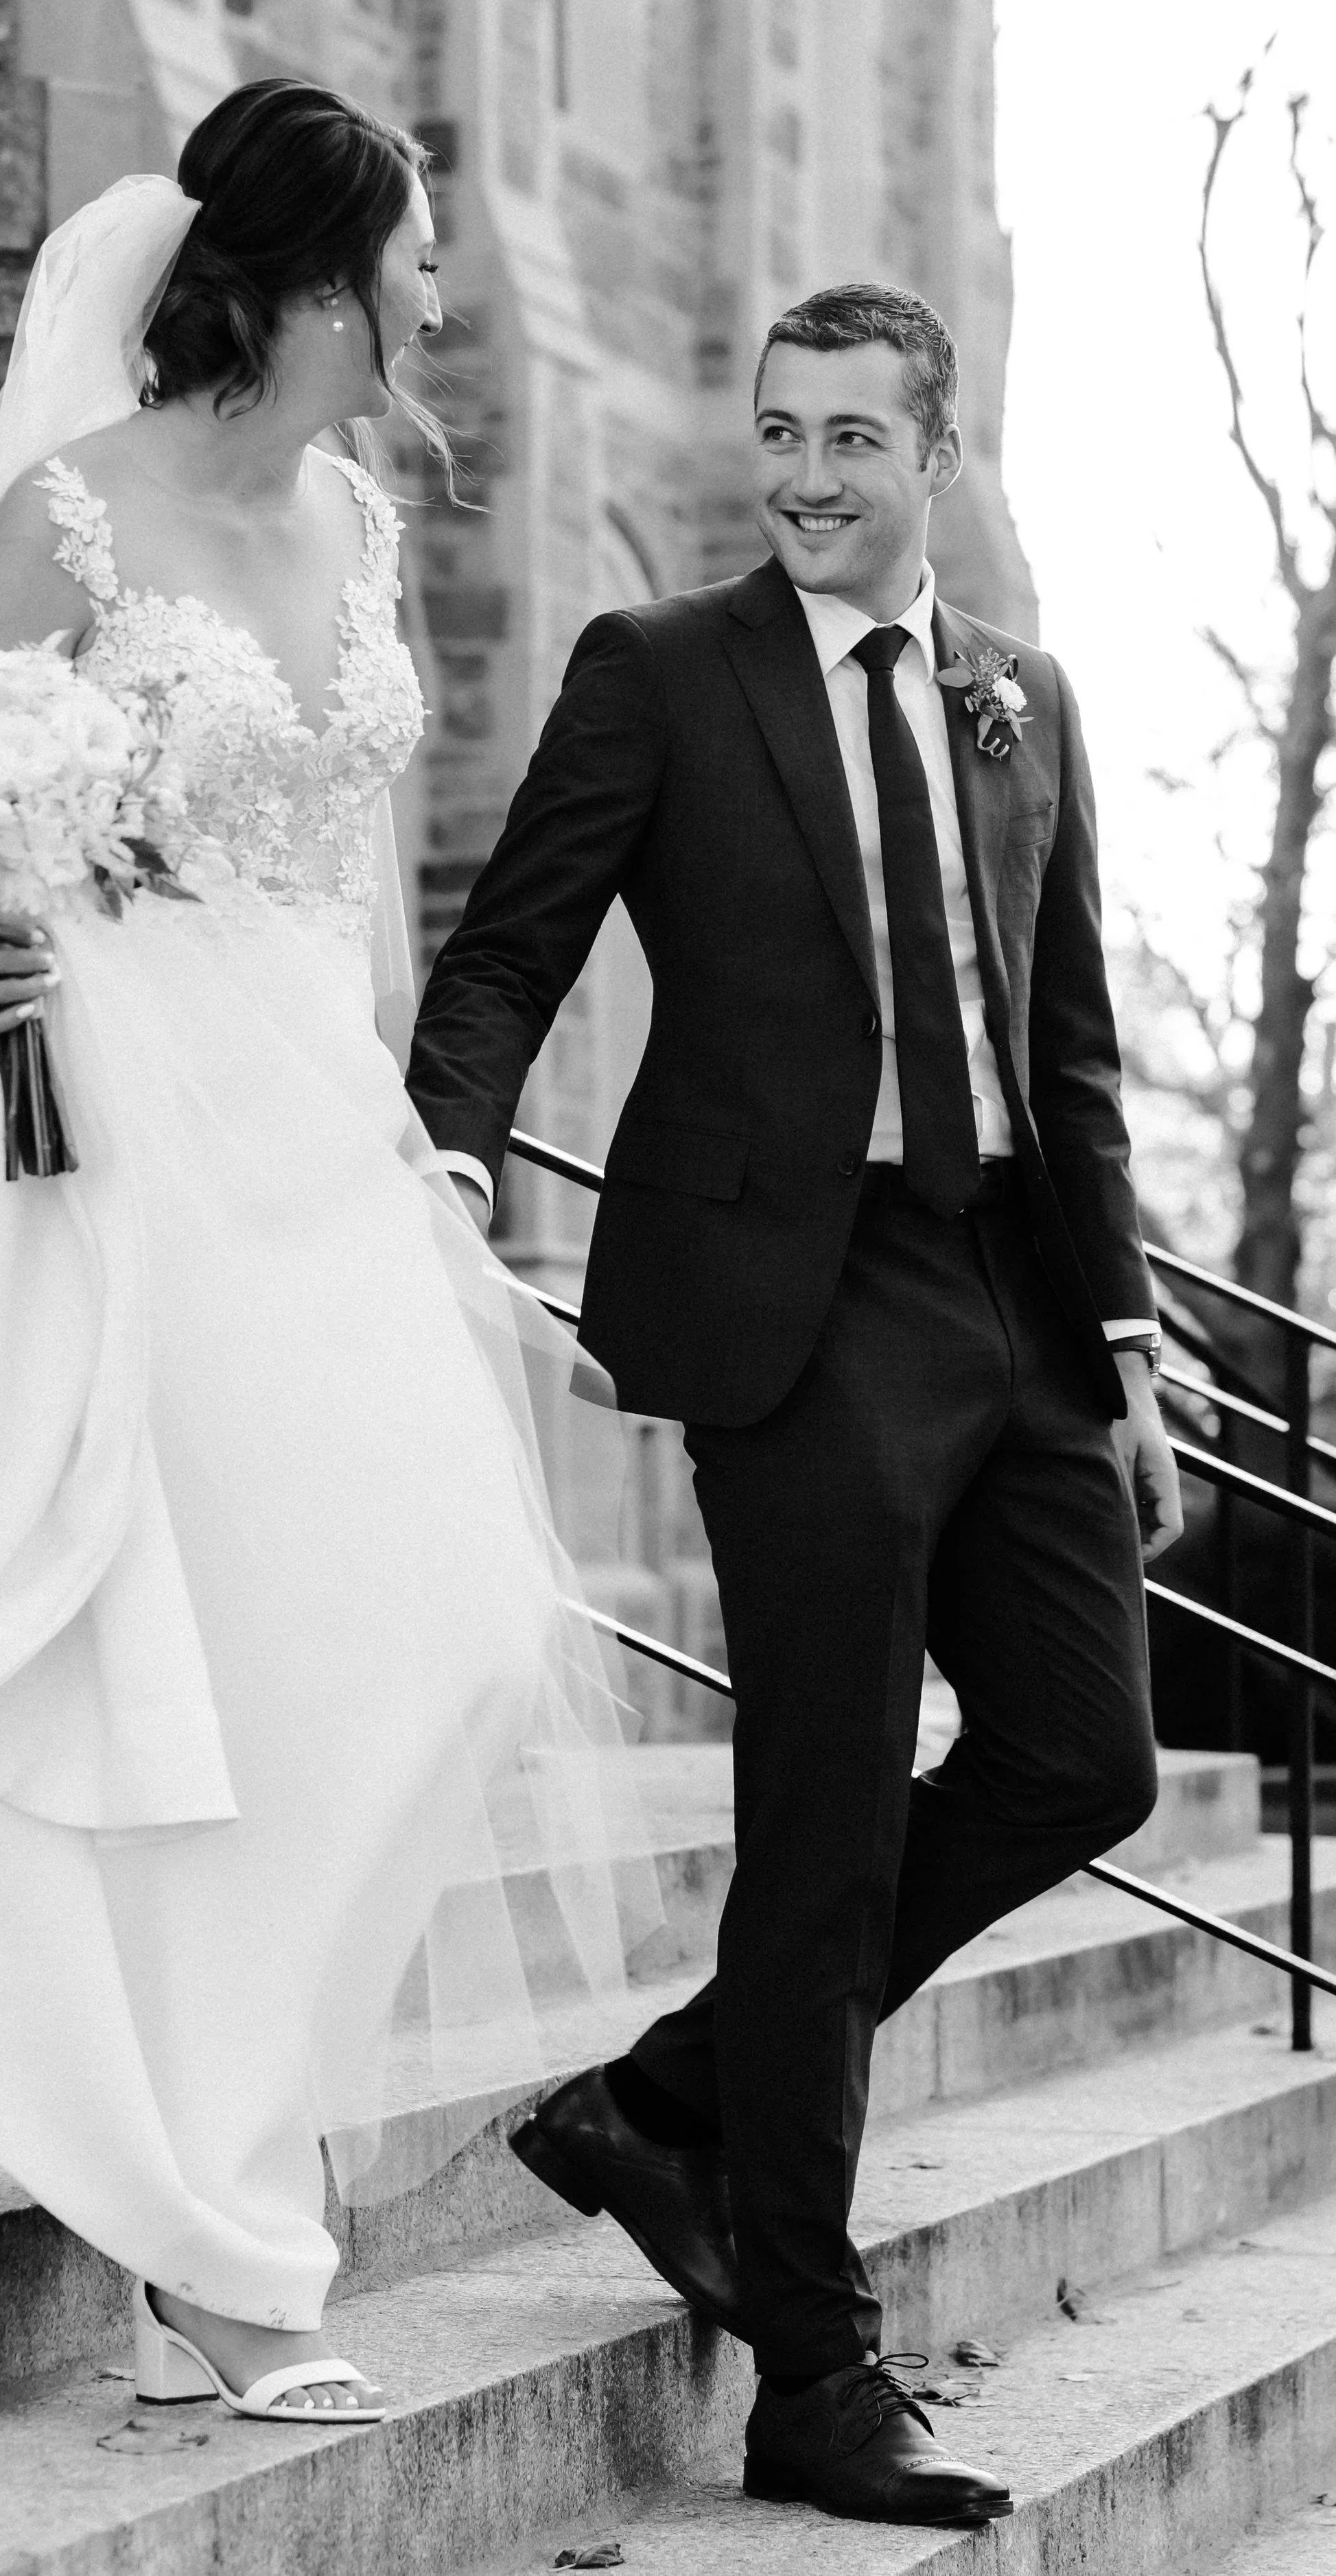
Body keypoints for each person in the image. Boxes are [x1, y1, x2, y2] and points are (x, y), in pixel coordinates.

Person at [0, 82, 657, 2433]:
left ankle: (221, 2155)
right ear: (312, 275)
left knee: (442, 1640)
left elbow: (352, 877)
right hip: (118, 1131)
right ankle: (212, 2233)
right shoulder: (73, 509)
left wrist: (404, 1135)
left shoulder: (359, 518)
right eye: (413, 257)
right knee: (213, 1664)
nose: (437, 297)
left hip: (312, 1123)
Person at [406, 281, 1182, 2525]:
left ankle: (668, 2098)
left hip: (1012, 1293)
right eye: (780, 431)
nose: (806, 475)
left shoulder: (1024, 698)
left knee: (1082, 1757)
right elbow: (511, 940)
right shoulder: (663, 669)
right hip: (792, 1298)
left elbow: (1067, 1050)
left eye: (852, 437)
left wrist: (1127, 1350)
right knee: (826, 1825)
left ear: (932, 455)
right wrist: (446, 1150)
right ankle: (811, 2379)